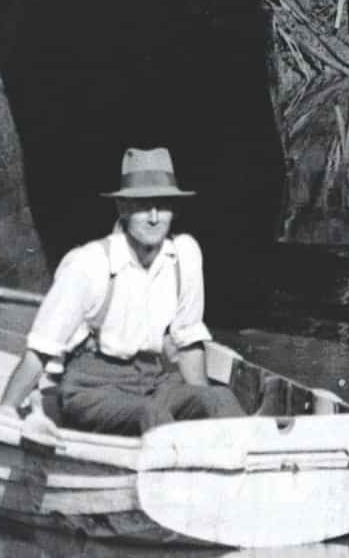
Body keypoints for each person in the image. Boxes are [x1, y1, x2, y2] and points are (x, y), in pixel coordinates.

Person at [21, 148, 245, 434]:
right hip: (91, 387)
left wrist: (203, 409)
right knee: (151, 415)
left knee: (219, 399)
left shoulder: (183, 255)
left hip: (152, 382)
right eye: (142, 206)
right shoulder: (90, 263)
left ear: (173, 210)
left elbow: (188, 341)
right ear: (123, 209)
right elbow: (41, 350)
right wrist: (5, 409)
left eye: (162, 205)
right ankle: (176, 474)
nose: (154, 217)